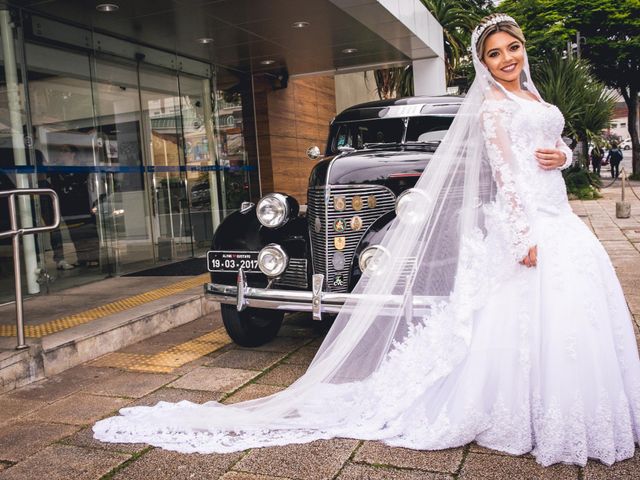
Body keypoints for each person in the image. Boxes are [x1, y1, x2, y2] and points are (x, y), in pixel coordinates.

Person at [94, 14, 640, 467]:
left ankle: (555, 400)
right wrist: (523, 234)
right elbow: (503, 172)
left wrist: (565, 157)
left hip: (556, 213)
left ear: (522, 49)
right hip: (530, 220)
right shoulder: (493, 107)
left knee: (555, 315)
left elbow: (553, 147)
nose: (506, 59)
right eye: (494, 54)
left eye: (512, 48)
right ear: (484, 63)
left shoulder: (535, 99)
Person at [47, 144, 100, 268]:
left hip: (82, 205)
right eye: (60, 152)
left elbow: (83, 182)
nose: (61, 154)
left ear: (72, 154)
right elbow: (53, 183)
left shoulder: (82, 168)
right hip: (66, 206)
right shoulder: (57, 170)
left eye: (64, 151)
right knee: (75, 234)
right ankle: (82, 259)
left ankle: (93, 258)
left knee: (87, 232)